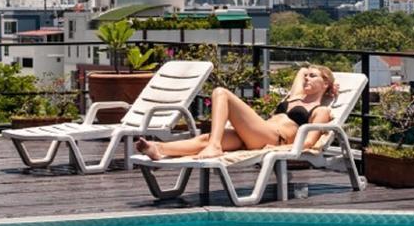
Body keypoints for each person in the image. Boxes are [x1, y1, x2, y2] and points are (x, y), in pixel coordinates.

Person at [136, 65, 338, 160]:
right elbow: (301, 70)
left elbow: (309, 143)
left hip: (273, 138)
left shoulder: (321, 110)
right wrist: (318, 77)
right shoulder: (296, 96)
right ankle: (159, 148)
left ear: (325, 83)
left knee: (220, 93)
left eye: (313, 77)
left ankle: (215, 146)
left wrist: (276, 150)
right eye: (307, 77)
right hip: (256, 132)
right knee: (205, 138)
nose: (306, 79)